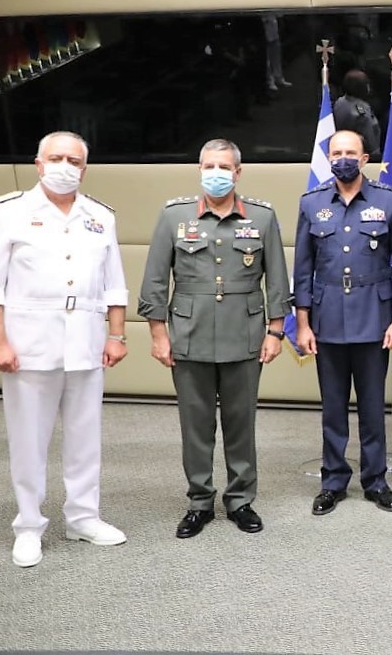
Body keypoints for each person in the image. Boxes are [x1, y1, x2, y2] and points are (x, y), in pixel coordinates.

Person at [0, 131, 129, 567]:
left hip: (86, 341)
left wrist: (116, 335)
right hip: (28, 344)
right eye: (56, 158)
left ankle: (83, 517)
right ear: (39, 164)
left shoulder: (100, 216)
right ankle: (28, 525)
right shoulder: (9, 212)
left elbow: (114, 282)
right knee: (28, 440)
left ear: (85, 169)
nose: (65, 167)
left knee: (85, 438)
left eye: (74, 161)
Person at [138, 138, 290, 538]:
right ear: (199, 169)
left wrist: (276, 331)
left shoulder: (262, 216)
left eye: (224, 167)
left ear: (238, 172)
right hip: (190, 335)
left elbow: (277, 279)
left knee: (241, 422)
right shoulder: (174, 216)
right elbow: (155, 280)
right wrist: (158, 334)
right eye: (209, 166)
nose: (216, 174)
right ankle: (200, 502)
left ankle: (240, 500)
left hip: (245, 335)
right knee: (196, 424)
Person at [294, 130, 392, 516]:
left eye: (350, 153)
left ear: (365, 159)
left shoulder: (389, 200)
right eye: (336, 153)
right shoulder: (312, 203)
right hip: (327, 319)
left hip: (374, 319)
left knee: (372, 408)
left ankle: (376, 481)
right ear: (328, 158)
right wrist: (303, 325)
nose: (343, 159)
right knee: (332, 408)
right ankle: (332, 481)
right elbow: (303, 270)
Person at [333, 69, 381, 156]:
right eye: (366, 84)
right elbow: (370, 140)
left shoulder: (339, 102)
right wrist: (376, 156)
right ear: (361, 87)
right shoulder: (361, 111)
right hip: (360, 154)